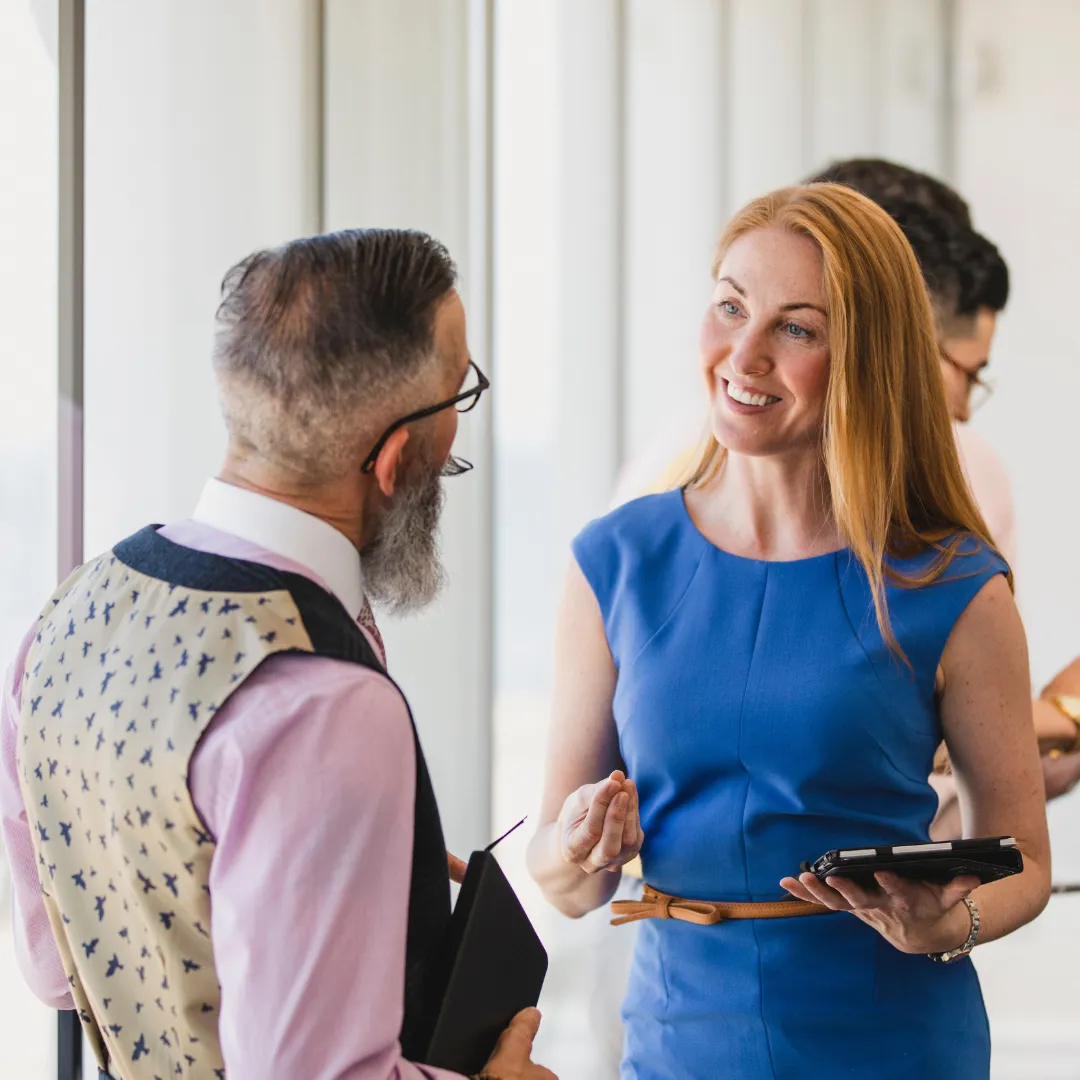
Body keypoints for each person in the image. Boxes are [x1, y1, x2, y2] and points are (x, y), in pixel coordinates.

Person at [0, 230, 555, 1080]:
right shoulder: (323, 701)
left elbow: (55, 966)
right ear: (395, 457)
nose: (459, 421)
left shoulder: (67, 612)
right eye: (460, 393)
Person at [527, 184, 1051, 1079]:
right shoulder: (612, 562)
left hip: (890, 1040)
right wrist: (579, 846)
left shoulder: (954, 583)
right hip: (677, 1039)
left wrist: (948, 922)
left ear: (868, 357)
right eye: (730, 305)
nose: (743, 352)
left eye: (796, 329)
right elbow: (562, 878)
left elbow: (1026, 863)